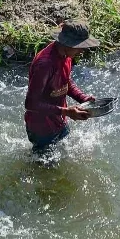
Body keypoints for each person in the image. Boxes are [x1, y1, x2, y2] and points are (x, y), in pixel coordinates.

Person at [23, 20, 99, 151]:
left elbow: (65, 81)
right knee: (43, 167)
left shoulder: (65, 55)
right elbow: (30, 104)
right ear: (67, 44)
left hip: (59, 120)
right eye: (80, 46)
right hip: (41, 128)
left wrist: (83, 98)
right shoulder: (45, 64)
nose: (82, 50)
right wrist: (66, 111)